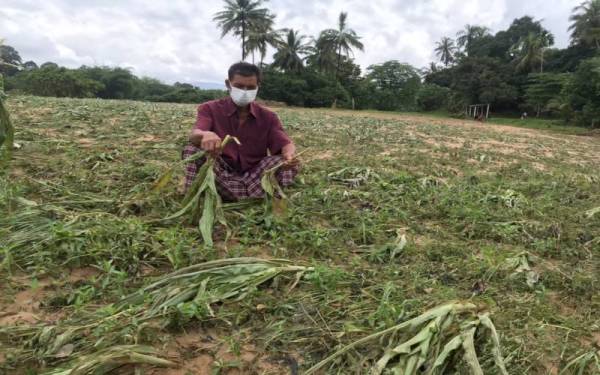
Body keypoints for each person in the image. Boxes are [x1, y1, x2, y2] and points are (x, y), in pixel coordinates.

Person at [181, 62, 298, 201]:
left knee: (283, 163)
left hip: (255, 174)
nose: (244, 91)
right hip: (219, 172)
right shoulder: (209, 109)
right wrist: (205, 135)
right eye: (239, 86)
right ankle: (254, 193)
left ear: (258, 86)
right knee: (191, 150)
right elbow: (195, 134)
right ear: (228, 83)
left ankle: (227, 194)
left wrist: (289, 156)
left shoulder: (268, 117)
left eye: (250, 87)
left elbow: (285, 143)